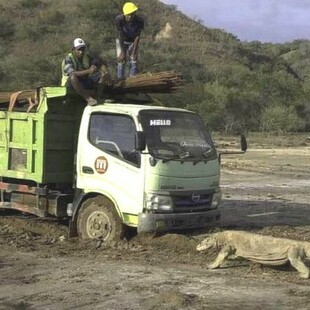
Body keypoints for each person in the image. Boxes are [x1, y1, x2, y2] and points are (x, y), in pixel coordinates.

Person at [61, 38, 111, 106]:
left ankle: (98, 97)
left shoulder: (86, 57)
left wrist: (106, 72)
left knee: (102, 75)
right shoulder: (68, 59)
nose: (81, 51)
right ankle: (88, 98)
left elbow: (100, 63)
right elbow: (72, 73)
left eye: (83, 49)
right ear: (73, 50)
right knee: (73, 76)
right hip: (70, 85)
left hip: (83, 81)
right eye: (79, 49)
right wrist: (89, 71)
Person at [115, 2, 144, 79]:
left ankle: (132, 79)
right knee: (121, 60)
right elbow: (120, 34)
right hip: (121, 41)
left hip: (133, 41)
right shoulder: (119, 20)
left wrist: (134, 52)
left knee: (133, 60)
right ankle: (120, 80)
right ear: (124, 14)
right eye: (128, 14)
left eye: (132, 14)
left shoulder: (139, 21)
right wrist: (122, 52)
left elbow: (137, 36)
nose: (130, 16)